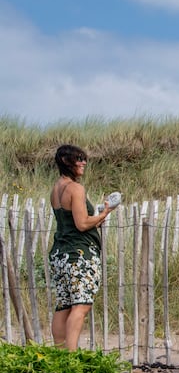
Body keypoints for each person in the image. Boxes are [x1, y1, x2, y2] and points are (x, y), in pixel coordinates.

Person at [49, 144, 116, 351]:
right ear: (67, 162)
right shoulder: (75, 189)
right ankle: (71, 357)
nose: (84, 162)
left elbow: (72, 221)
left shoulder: (56, 189)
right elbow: (82, 224)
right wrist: (103, 214)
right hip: (79, 254)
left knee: (64, 305)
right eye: (79, 159)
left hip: (60, 253)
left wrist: (94, 219)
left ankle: (59, 356)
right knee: (81, 305)